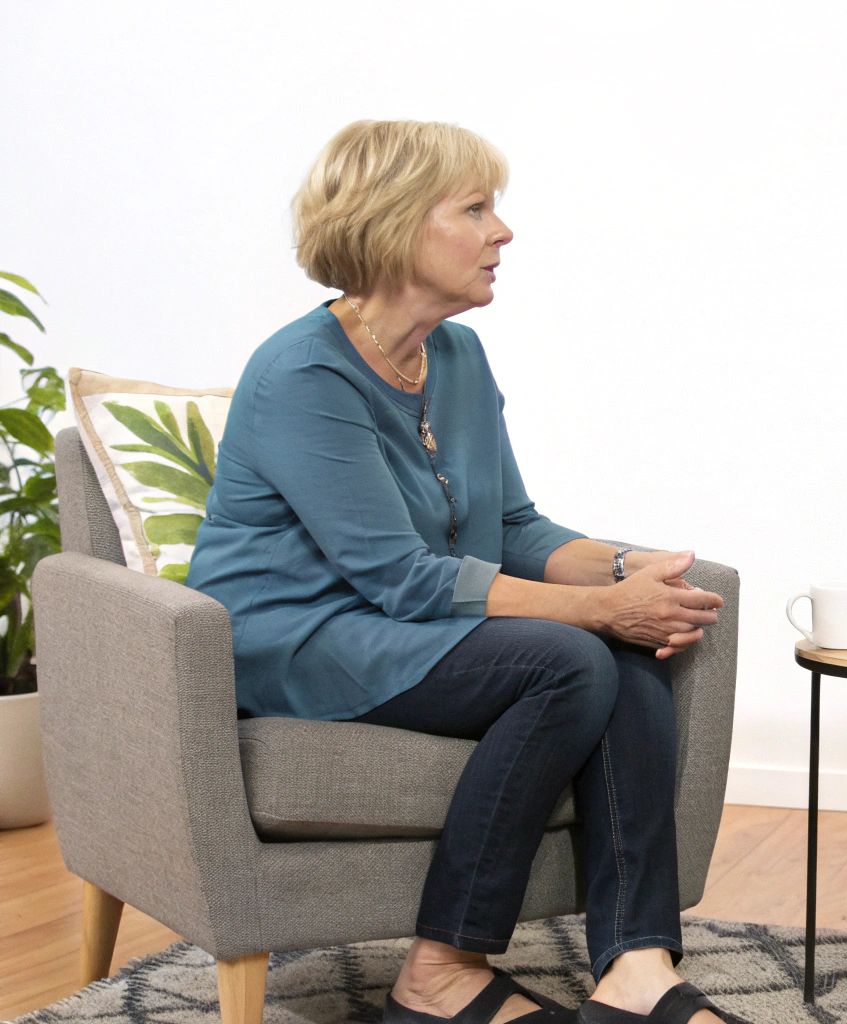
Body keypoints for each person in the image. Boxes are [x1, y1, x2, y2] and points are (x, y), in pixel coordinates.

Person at [187, 121, 728, 1024]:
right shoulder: (303, 377)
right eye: (476, 209)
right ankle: (439, 974)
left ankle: (637, 965)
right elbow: (402, 577)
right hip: (301, 636)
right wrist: (600, 608)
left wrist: (636, 571)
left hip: (399, 621)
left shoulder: (459, 356)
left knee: (634, 651)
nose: (502, 232)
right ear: (395, 224)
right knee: (572, 655)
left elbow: (512, 526)